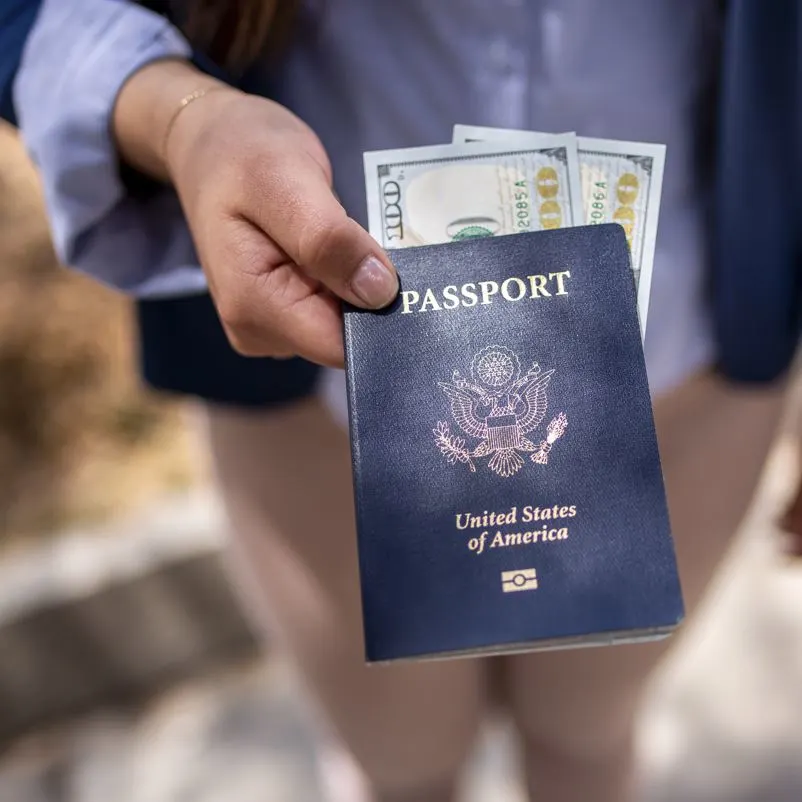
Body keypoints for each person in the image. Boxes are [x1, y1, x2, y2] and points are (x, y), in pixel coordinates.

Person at [4, 1, 798, 800]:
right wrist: (183, 118)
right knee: (401, 769)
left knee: (588, 740)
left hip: (682, 346)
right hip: (321, 357)